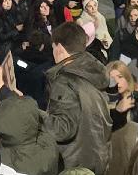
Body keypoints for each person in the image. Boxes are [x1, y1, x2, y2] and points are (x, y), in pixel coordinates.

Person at [43, 22, 112, 175]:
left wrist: (32, 113)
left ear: (59, 47)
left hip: (74, 166)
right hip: (98, 161)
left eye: (53, 47)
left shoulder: (65, 81)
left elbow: (62, 130)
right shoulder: (92, 73)